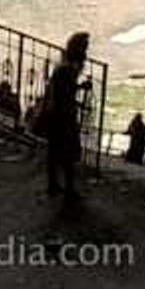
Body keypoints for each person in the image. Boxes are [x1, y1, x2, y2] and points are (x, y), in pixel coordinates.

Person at [37, 31, 89, 202]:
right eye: (85, 47)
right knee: (68, 153)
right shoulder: (68, 69)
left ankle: (54, 185)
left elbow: (59, 91)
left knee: (54, 152)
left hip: (56, 115)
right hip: (63, 116)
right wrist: (80, 89)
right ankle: (69, 190)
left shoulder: (64, 66)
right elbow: (65, 93)